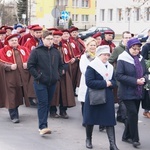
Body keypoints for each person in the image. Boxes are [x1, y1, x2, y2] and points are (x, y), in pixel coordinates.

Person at [27, 30, 64, 136]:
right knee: (43, 103)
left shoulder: (55, 51)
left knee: (47, 103)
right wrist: (38, 76)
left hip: (52, 82)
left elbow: (61, 65)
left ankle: (44, 124)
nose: (50, 41)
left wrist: (58, 74)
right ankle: (43, 126)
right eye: (48, 39)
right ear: (42, 39)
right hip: (40, 82)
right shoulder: (36, 51)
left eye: (52, 39)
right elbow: (30, 66)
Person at [83, 45, 119, 150]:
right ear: (99, 55)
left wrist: (110, 83)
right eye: (104, 55)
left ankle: (112, 144)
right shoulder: (92, 66)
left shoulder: (110, 67)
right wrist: (105, 83)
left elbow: (114, 81)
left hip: (107, 96)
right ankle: (88, 139)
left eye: (108, 55)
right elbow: (89, 82)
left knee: (109, 119)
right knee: (91, 118)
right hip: (94, 95)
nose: (106, 57)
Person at [115, 38, 147, 148]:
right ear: (129, 48)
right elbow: (119, 75)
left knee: (131, 115)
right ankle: (135, 139)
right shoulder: (122, 58)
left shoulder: (140, 58)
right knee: (133, 113)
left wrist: (144, 79)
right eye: (134, 48)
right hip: (126, 91)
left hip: (138, 92)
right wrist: (135, 81)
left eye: (138, 49)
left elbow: (146, 72)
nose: (136, 51)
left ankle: (125, 136)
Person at [0, 34, 31, 123]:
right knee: (11, 96)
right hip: (10, 78)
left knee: (18, 95)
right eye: (12, 40)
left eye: (15, 40)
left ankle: (14, 110)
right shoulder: (2, 51)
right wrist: (8, 67)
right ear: (8, 42)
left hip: (21, 78)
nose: (14, 42)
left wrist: (27, 64)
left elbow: (31, 59)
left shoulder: (23, 49)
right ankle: (14, 115)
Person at [50, 30, 75, 119]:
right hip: (52, 74)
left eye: (58, 37)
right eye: (54, 37)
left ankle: (63, 110)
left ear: (61, 38)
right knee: (53, 93)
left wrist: (64, 69)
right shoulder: (50, 48)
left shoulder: (64, 47)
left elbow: (67, 59)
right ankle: (52, 111)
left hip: (63, 74)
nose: (56, 39)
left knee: (64, 93)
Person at [109, 31, 132, 123]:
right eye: (126, 37)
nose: (128, 39)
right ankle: (124, 117)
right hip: (120, 77)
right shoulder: (118, 49)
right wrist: (115, 72)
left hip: (130, 77)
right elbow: (110, 61)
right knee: (122, 98)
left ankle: (119, 115)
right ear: (122, 38)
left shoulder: (133, 48)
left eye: (129, 37)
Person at [78, 37, 97, 126]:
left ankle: (93, 118)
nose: (93, 47)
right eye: (91, 45)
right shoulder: (84, 57)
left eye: (94, 45)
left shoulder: (98, 56)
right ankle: (85, 120)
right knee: (85, 101)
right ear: (87, 46)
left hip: (96, 81)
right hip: (87, 81)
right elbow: (84, 69)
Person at [141, 38, 150, 118]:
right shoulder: (146, 47)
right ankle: (146, 110)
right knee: (147, 92)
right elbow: (142, 59)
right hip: (148, 71)